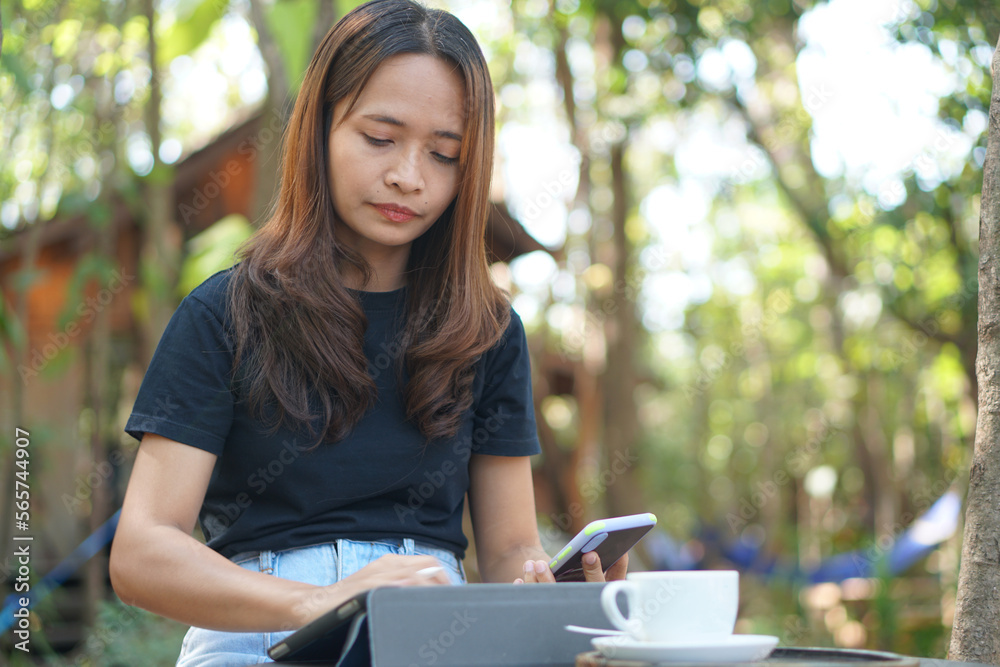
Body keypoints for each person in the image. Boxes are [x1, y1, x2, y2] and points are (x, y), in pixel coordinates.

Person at [109, 0, 628, 664]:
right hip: (256, 644)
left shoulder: (489, 333)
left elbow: (507, 551)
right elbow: (142, 552)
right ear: (319, 129)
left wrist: (550, 582)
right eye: (380, 138)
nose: (408, 176)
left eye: (444, 154)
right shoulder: (224, 314)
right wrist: (319, 600)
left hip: (436, 640)